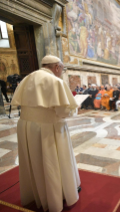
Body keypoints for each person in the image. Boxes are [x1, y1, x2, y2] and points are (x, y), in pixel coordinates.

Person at [11, 55, 80, 212]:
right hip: (49, 129)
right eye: (62, 69)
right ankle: (57, 196)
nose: (62, 72)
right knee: (52, 163)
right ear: (56, 67)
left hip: (26, 127)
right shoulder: (55, 82)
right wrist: (74, 108)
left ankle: (38, 194)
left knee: (35, 162)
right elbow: (63, 112)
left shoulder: (27, 79)